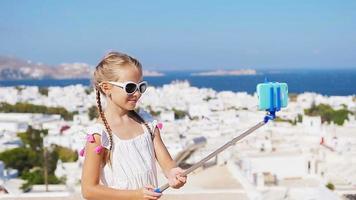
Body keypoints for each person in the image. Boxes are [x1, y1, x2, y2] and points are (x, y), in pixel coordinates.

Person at [80, 51, 187, 200]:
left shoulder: (147, 124)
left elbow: (168, 164)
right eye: (130, 87)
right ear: (106, 87)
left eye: (141, 87)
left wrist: (174, 173)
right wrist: (135, 195)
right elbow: (88, 190)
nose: (137, 93)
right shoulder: (100, 135)